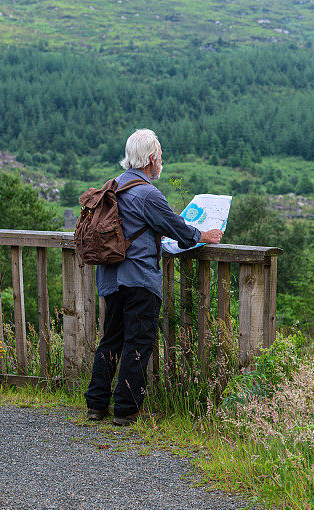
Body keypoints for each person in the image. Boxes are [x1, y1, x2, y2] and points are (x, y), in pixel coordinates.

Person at [84, 129, 223, 425]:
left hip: (110, 278)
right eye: (159, 155)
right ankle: (125, 409)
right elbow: (180, 230)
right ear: (151, 159)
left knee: (110, 340)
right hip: (140, 280)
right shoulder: (148, 193)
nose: (161, 161)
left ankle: (96, 404)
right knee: (138, 342)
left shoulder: (112, 187)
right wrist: (205, 235)